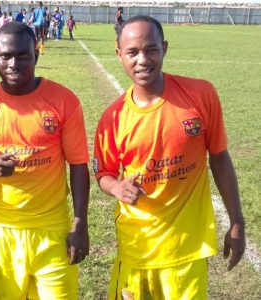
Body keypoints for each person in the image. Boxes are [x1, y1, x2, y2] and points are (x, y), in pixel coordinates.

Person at [93, 15, 245, 299]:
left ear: (164, 48)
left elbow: (220, 158)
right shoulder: (112, 119)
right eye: (132, 52)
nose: (142, 60)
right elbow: (103, 173)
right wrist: (116, 186)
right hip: (137, 246)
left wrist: (237, 222)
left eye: (151, 49)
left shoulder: (201, 95)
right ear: (119, 54)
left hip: (187, 250)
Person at [0, 22, 90, 299]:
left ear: (36, 55)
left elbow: (78, 165)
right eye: (5, 56)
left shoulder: (64, 101)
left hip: (53, 230)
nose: (13, 63)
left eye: (23, 55)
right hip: (3, 232)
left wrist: (80, 223)